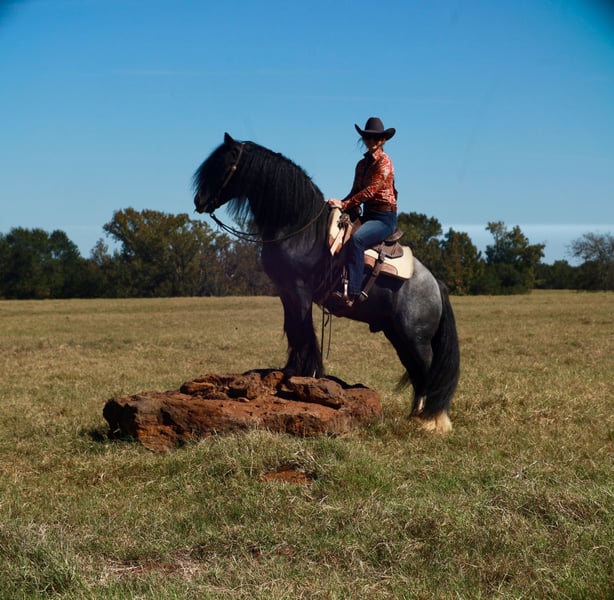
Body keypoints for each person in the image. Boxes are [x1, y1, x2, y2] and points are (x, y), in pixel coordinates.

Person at [327, 117, 398, 306]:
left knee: (357, 240)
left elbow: (369, 192)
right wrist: (338, 203)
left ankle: (353, 293)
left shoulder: (385, 163)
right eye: (367, 137)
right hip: (368, 215)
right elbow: (355, 191)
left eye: (376, 138)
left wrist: (344, 204)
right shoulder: (361, 165)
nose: (371, 141)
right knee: (339, 238)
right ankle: (334, 284)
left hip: (384, 218)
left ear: (383, 140)